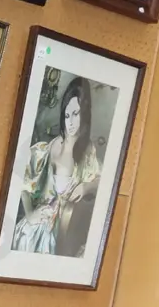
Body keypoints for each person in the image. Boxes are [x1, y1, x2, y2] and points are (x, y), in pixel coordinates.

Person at [12, 76, 100, 257]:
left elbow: (101, 181)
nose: (70, 122)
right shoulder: (46, 149)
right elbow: (23, 182)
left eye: (76, 114)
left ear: (85, 113)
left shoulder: (87, 151)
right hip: (33, 234)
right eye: (67, 115)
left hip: (64, 234)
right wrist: (29, 214)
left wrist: (86, 186)